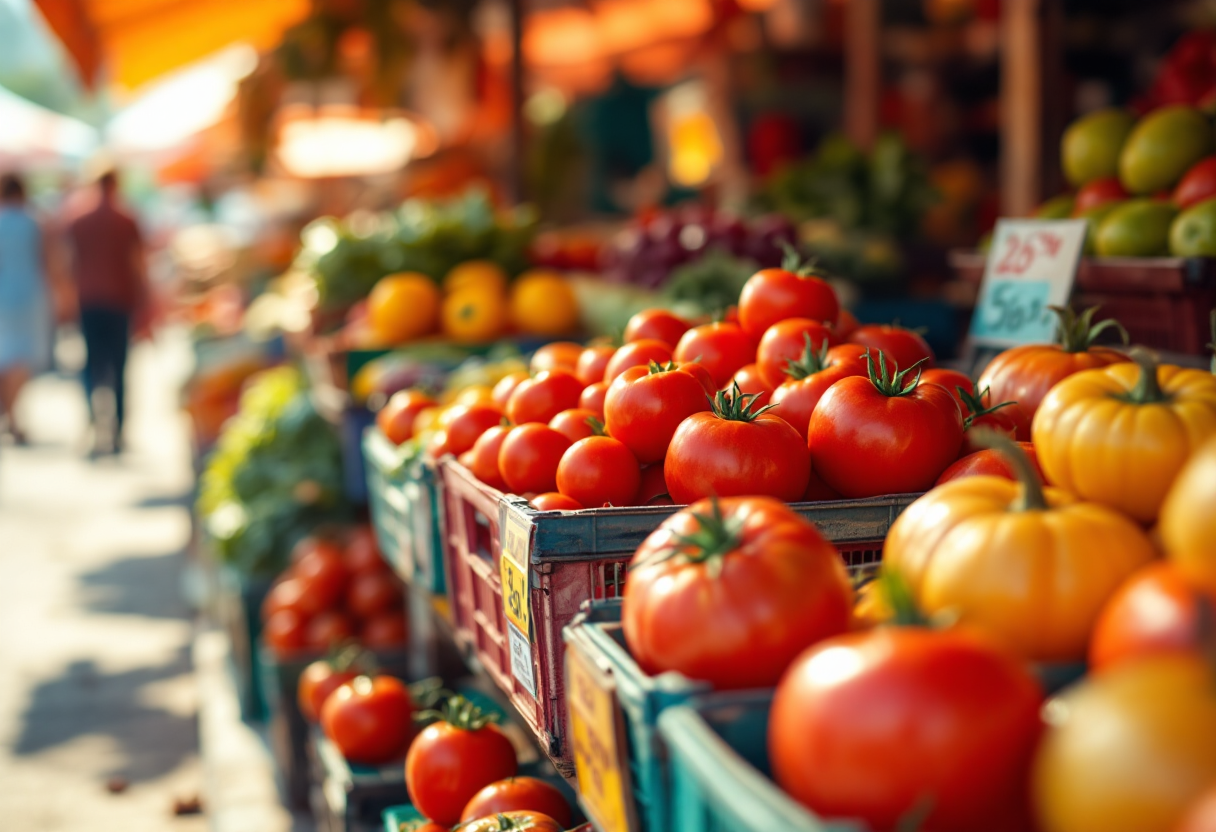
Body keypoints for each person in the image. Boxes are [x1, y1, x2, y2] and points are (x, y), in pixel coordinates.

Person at [65, 169, 147, 455]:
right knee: (119, 365)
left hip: (89, 299)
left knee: (92, 365)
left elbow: (68, 263)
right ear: (115, 185)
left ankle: (93, 421)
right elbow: (138, 264)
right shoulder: (126, 219)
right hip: (118, 300)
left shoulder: (79, 219)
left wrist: (67, 299)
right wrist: (145, 301)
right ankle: (118, 430)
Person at [0, 172, 54, 445]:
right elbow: (49, 260)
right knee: (21, 358)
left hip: (5, 295)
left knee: (7, 355)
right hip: (30, 295)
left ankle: (10, 414)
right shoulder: (35, 222)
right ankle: (12, 415)